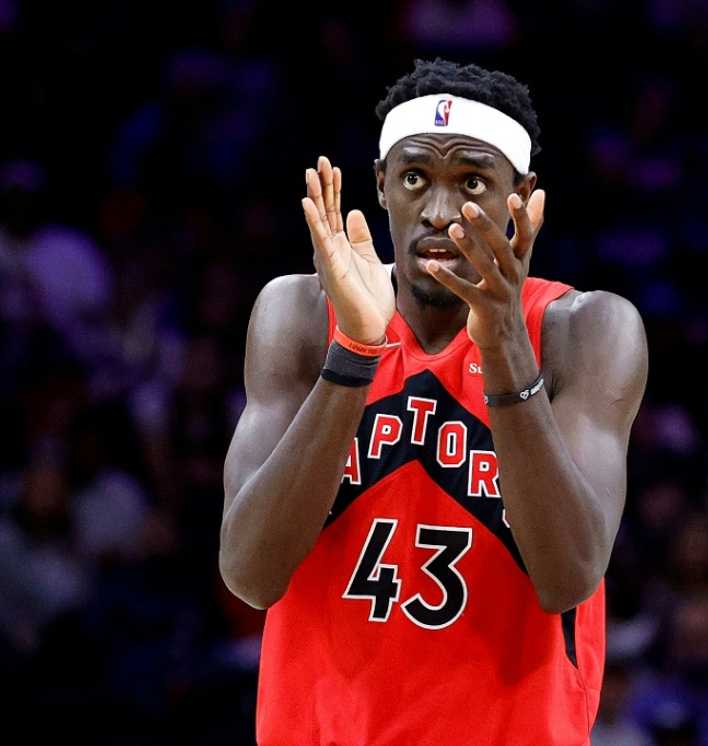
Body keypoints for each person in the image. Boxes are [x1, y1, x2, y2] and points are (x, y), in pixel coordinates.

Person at [219, 58, 648, 744]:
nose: (441, 212)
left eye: (472, 181)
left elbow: (568, 575)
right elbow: (248, 572)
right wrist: (356, 353)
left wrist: (505, 344)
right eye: (416, 178)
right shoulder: (300, 313)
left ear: (523, 196)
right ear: (382, 186)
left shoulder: (583, 332)